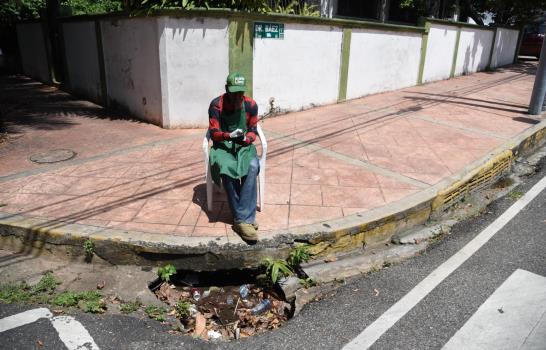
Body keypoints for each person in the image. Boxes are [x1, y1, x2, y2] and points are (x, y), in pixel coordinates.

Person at [208, 72, 260, 243]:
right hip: (223, 145)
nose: (237, 96)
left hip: (243, 145)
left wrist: (247, 139)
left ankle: (241, 220)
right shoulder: (217, 105)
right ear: (226, 89)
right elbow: (214, 133)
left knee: (252, 166)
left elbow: (253, 130)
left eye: (240, 92)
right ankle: (246, 220)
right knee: (227, 168)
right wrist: (228, 135)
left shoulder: (251, 105)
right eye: (234, 92)